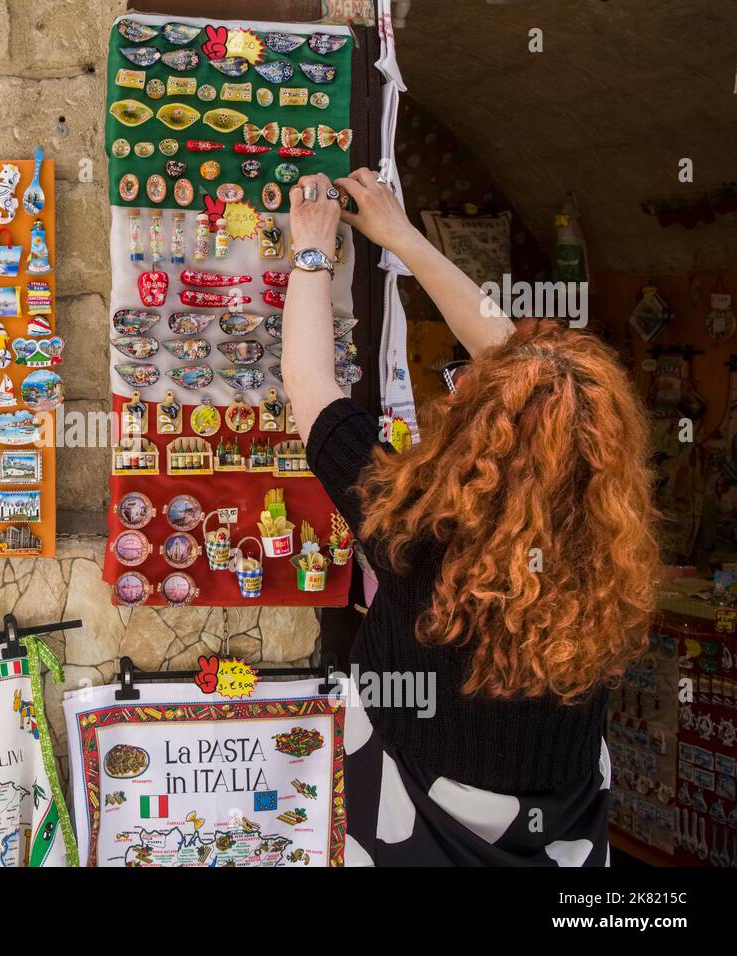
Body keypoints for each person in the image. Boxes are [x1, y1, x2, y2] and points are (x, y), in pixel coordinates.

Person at [281, 168, 660, 866]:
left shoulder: (415, 528)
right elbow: (532, 376)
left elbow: (311, 390)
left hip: (412, 827)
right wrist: (399, 237)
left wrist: (312, 251)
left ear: (478, 430)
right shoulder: (609, 559)